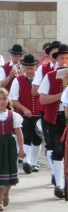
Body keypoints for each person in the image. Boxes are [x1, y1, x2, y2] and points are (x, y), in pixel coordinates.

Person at [37, 44, 68, 199]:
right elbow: (42, 99)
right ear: (57, 60)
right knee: (57, 151)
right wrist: (61, 95)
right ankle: (58, 184)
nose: (65, 60)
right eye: (62, 58)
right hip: (55, 118)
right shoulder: (50, 76)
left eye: (67, 58)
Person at [32, 40, 61, 184]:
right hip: (47, 109)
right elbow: (34, 90)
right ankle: (55, 173)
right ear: (49, 56)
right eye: (54, 54)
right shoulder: (43, 70)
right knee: (51, 144)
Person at [9, 54, 42, 174]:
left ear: (35, 67)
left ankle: (34, 162)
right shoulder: (18, 80)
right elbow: (13, 99)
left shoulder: (42, 79)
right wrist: (24, 109)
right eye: (27, 68)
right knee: (26, 137)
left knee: (37, 139)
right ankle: (27, 162)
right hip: (24, 115)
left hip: (39, 115)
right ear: (23, 67)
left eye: (31, 68)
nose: (29, 70)